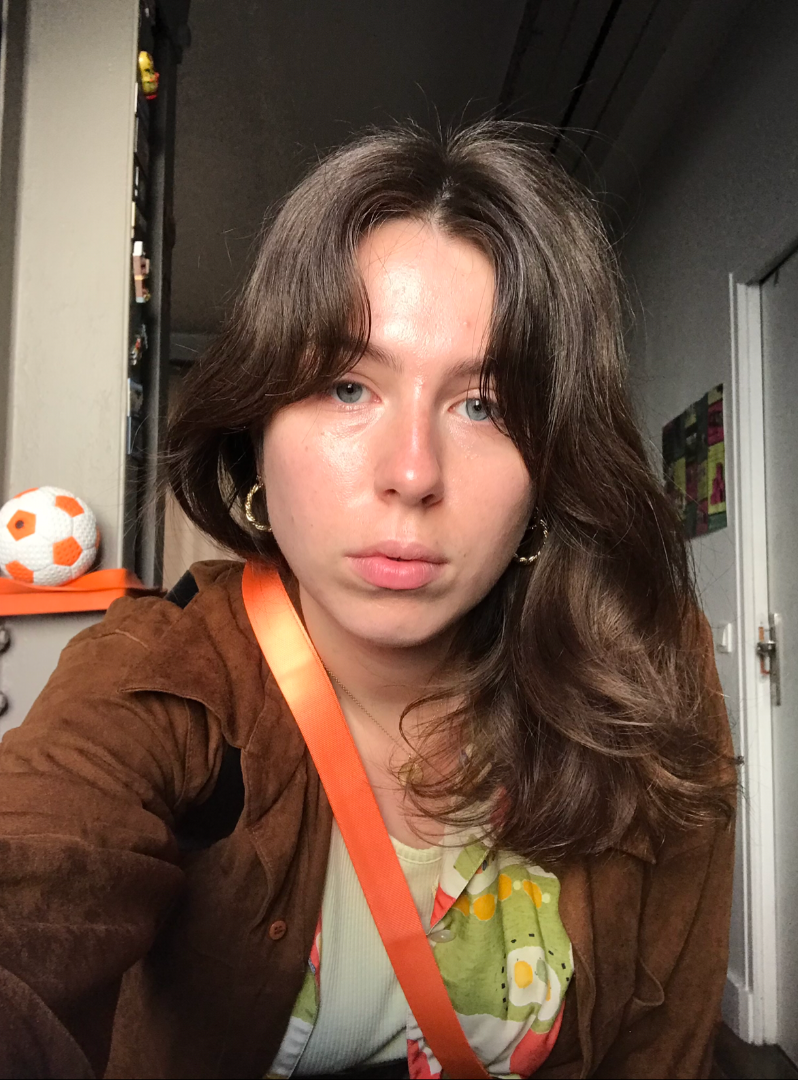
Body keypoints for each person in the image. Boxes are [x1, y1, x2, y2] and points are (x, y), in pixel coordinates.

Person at [0, 122, 736, 1080]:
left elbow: (664, 1042)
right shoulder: (161, 668)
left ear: (552, 464)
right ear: (256, 428)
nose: (413, 473)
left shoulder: (642, 665)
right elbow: (36, 870)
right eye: (348, 387)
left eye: (485, 405)